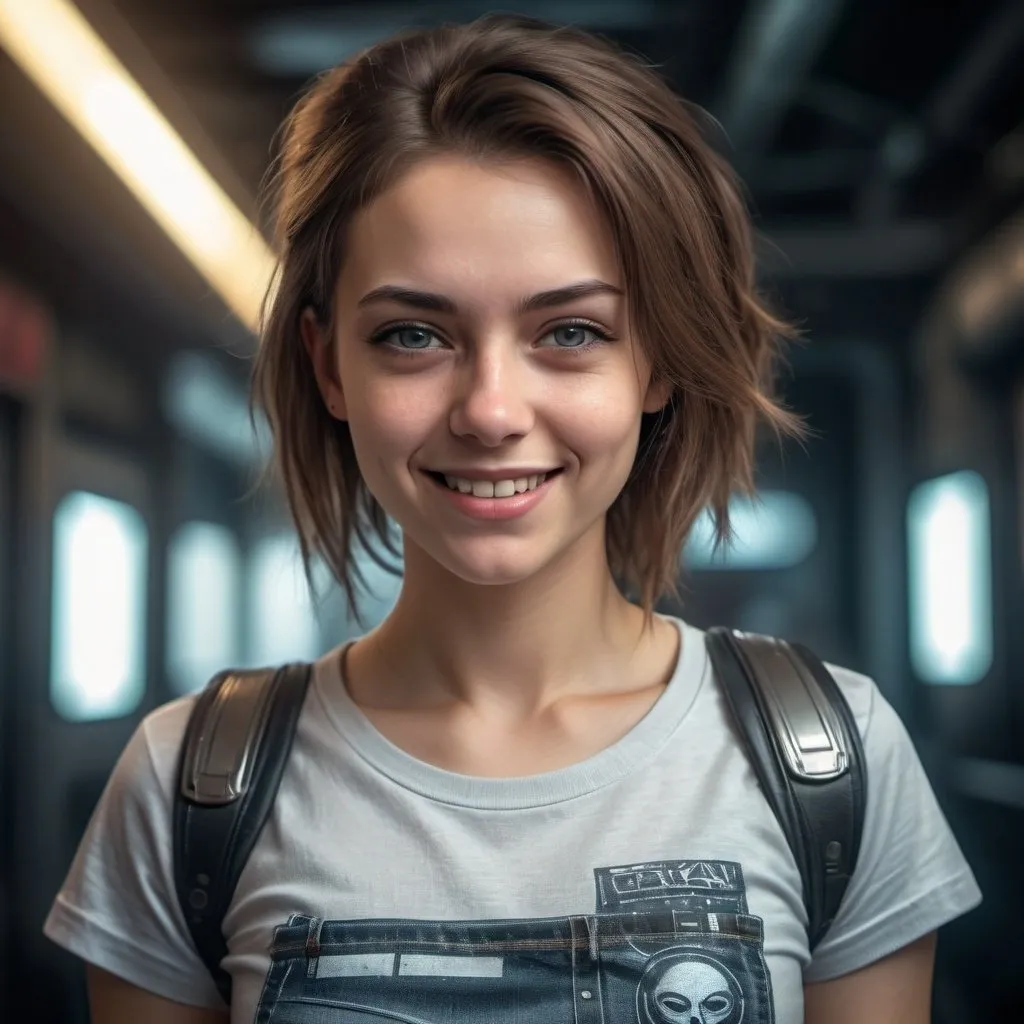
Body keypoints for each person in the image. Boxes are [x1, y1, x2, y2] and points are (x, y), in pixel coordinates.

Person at [44, 14, 981, 1024]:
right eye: (414, 335)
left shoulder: (832, 761)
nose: (491, 410)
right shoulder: (188, 787)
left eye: (569, 332)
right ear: (329, 368)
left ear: (655, 362)